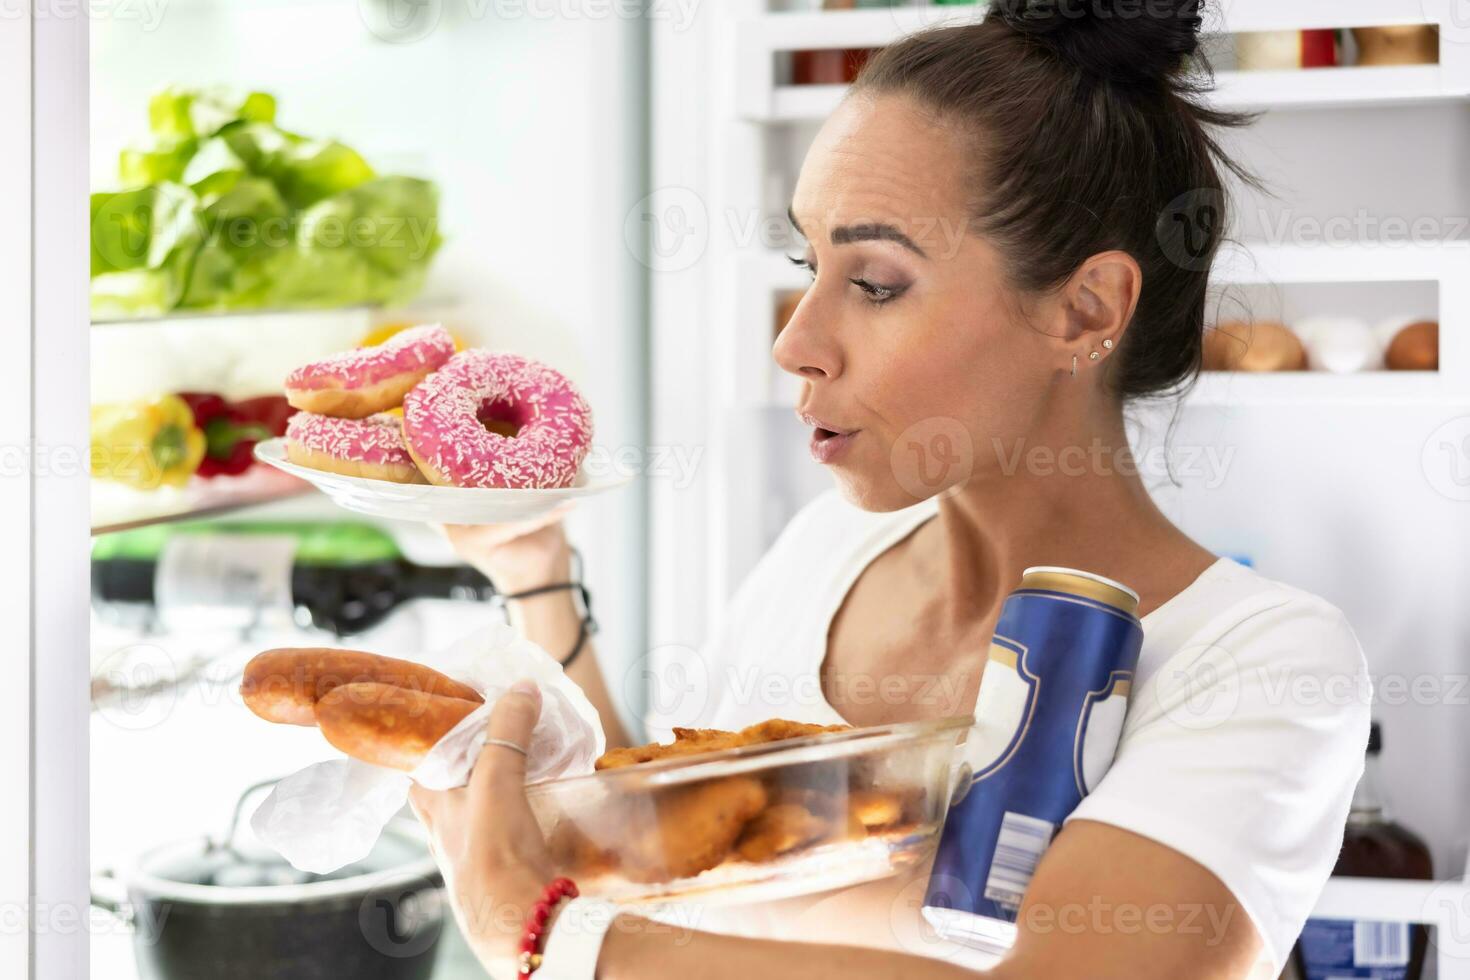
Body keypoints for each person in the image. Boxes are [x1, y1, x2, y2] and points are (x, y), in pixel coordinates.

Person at [419, 2, 1372, 977]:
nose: (795, 342)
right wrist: (534, 568)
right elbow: (669, 858)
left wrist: (550, 935)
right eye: (808, 261)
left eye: (874, 281)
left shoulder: (1260, 662)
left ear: (1084, 308)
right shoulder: (823, 551)